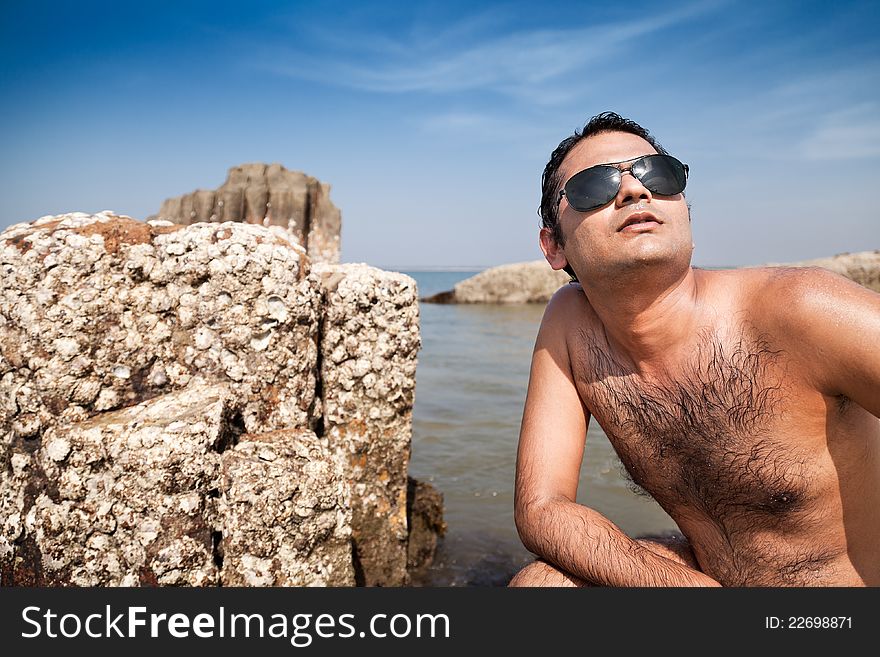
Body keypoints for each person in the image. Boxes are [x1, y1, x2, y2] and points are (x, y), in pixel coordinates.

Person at [509, 111, 880, 586]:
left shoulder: (800, 307)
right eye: (593, 186)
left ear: (684, 207)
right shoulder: (571, 324)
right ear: (553, 247)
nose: (635, 191)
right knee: (542, 587)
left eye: (657, 175)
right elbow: (542, 506)